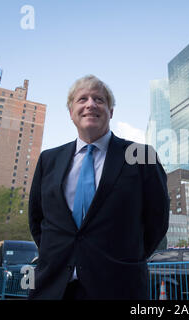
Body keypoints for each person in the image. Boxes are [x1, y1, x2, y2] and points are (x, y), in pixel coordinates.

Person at [28, 75, 169, 300]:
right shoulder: (48, 159)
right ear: (71, 112)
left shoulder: (142, 155)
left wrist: (128, 258)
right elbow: (37, 219)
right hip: (52, 288)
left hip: (118, 287)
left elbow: (157, 220)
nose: (90, 104)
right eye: (82, 99)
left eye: (99, 100)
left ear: (111, 112)